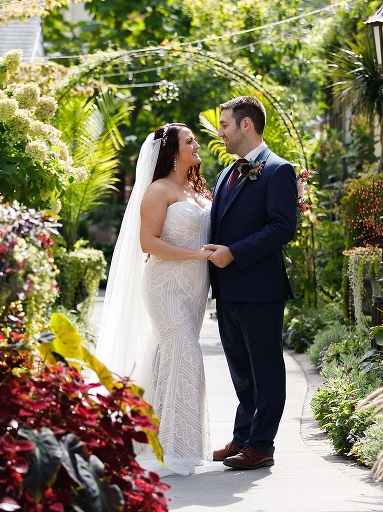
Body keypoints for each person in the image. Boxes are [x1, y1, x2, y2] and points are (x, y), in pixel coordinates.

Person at [95, 123, 213, 476]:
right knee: (184, 355)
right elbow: (148, 242)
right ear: (172, 152)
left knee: (172, 358)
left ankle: (154, 438)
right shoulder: (158, 190)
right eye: (189, 141)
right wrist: (196, 255)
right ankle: (176, 448)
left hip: (195, 289)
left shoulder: (197, 189)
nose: (197, 145)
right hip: (165, 287)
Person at [204, 96, 297, 470]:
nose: (220, 133)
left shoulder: (278, 170)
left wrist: (234, 253)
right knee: (242, 373)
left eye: (224, 125)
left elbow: (282, 227)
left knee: (266, 371)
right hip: (227, 290)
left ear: (246, 125)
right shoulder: (226, 173)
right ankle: (243, 437)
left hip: (260, 289)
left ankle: (261, 445)